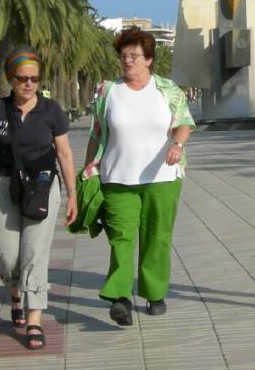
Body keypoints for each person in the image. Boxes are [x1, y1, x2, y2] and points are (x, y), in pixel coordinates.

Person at [83, 28, 195, 324]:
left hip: (163, 179)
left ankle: (154, 293)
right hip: (117, 179)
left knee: (157, 237)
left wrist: (177, 144)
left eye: (134, 55)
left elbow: (184, 123)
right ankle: (120, 297)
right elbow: (96, 132)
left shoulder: (167, 89)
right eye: (123, 55)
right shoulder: (108, 91)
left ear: (149, 59)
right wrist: (88, 169)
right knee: (121, 238)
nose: (127, 60)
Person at [0, 48, 77, 351]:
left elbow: (64, 154)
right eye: (22, 78)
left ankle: (34, 319)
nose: (29, 83)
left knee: (35, 252)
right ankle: (15, 293)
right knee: (6, 254)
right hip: (5, 186)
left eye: (34, 78)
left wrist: (72, 195)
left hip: (42, 187)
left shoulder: (51, 110)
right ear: (11, 79)